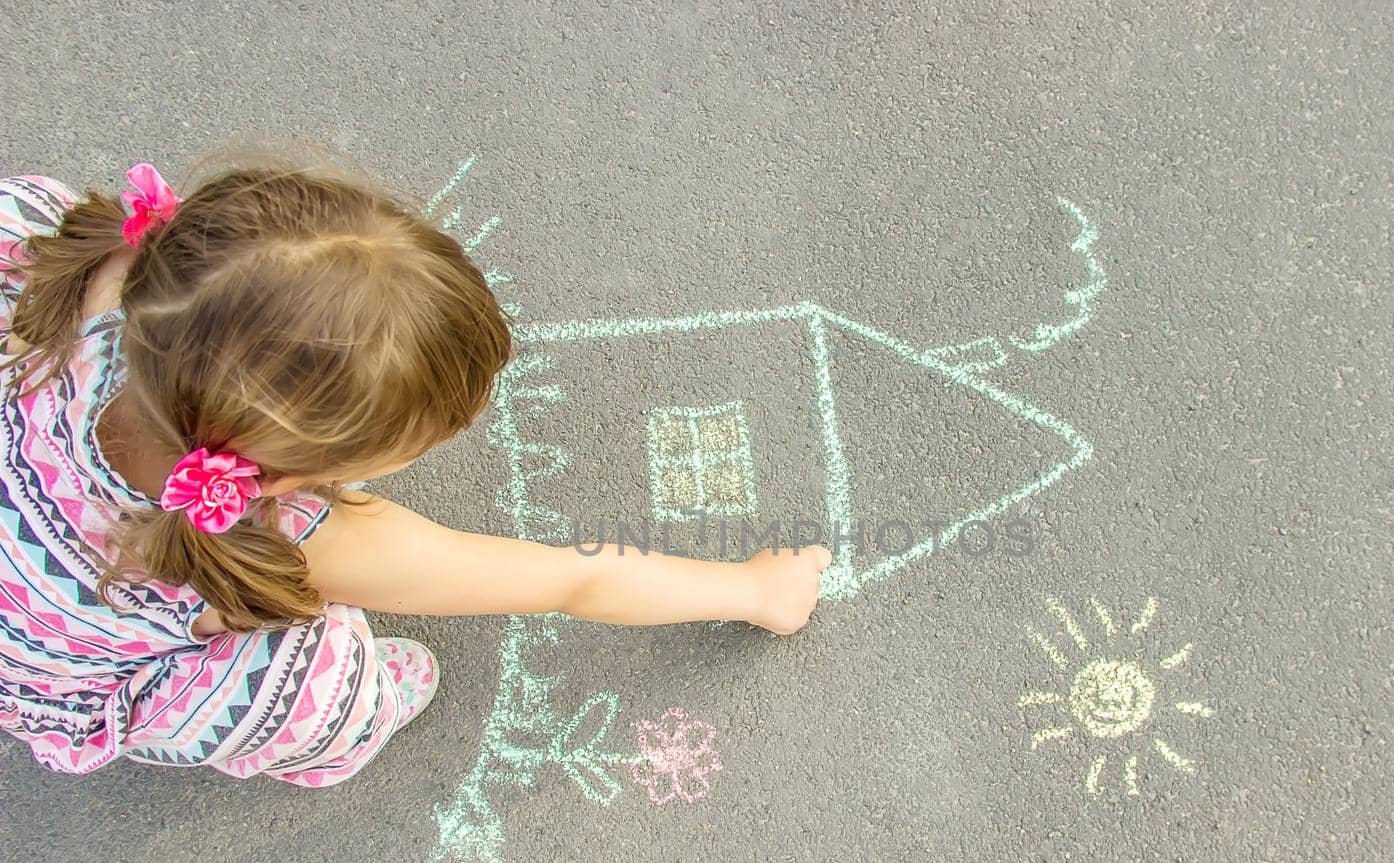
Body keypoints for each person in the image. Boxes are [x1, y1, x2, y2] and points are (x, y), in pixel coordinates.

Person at [0, 158, 828, 787]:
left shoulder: (98, 276)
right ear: (287, 470)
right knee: (314, 681)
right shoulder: (308, 539)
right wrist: (752, 590)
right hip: (52, 666)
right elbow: (570, 581)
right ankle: (348, 721)